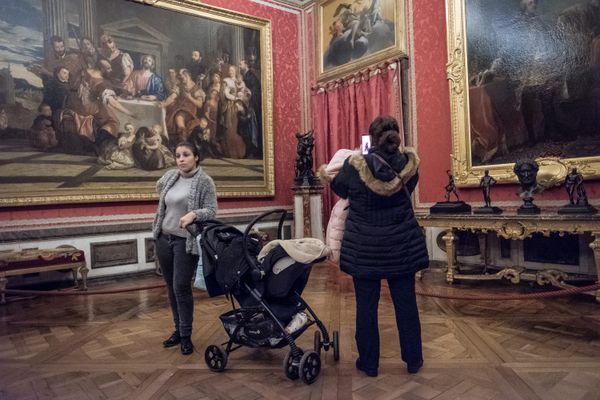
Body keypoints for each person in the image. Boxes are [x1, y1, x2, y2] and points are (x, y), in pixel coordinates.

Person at [330, 116, 428, 377]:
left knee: (366, 308)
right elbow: (409, 188)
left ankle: (369, 363)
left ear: (371, 139)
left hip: (365, 248)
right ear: (397, 137)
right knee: (406, 306)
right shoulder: (410, 165)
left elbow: (338, 187)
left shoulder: (355, 165)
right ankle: (413, 360)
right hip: (401, 247)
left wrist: (360, 155)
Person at [153, 141, 218, 355]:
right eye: (178, 155)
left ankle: (186, 335)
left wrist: (193, 214)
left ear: (196, 157)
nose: (181, 159)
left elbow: (211, 210)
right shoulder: (171, 177)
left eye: (186, 155)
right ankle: (177, 331)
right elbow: (160, 192)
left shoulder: (205, 181)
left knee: (181, 287)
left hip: (185, 241)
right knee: (171, 288)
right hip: (164, 238)